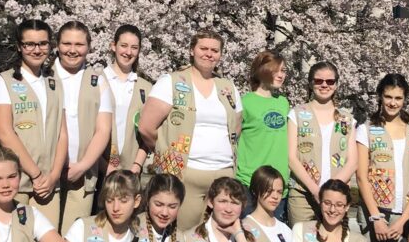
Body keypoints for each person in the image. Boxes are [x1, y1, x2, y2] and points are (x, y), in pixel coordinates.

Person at [139, 30, 242, 230]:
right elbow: (146, 127)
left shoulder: (228, 88)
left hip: (223, 173)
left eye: (215, 50)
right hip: (185, 174)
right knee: (182, 233)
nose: (209, 54)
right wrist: (166, 149)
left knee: (218, 235)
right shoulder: (171, 81)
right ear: (192, 50)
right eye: (203, 48)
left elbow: (236, 129)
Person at [0, 19, 68, 226]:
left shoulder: (54, 83)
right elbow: (5, 133)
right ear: (19, 47)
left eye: (42, 43)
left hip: (48, 184)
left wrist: (54, 176)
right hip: (16, 181)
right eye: (29, 44)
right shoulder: (5, 82)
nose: (37, 49)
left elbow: (62, 134)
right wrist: (36, 173)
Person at [356, 73, 409, 242]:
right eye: (388, 97)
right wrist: (376, 218)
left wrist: (405, 220)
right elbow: (361, 177)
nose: (392, 103)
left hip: (406, 216)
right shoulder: (366, 130)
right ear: (380, 97)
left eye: (398, 98)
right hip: (378, 215)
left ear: (404, 100)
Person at [53, 20, 114, 235]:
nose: (72, 50)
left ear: (88, 47)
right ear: (57, 45)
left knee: (73, 238)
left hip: (82, 174)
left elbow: (103, 130)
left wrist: (83, 165)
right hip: (45, 173)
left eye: (79, 45)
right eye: (66, 43)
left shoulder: (98, 81)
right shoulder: (42, 76)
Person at [287, 61, 357, 226]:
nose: (324, 85)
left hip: (337, 197)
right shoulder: (297, 114)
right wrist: (314, 189)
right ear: (311, 84)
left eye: (329, 81)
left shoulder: (346, 118)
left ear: (336, 84)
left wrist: (330, 191)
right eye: (319, 81)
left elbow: (352, 161)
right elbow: (291, 157)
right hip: (302, 194)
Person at [236, 52, 290, 220]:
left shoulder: (283, 102)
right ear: (263, 70)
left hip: (278, 184)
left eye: (284, 70)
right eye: (276, 70)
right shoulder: (244, 102)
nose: (281, 75)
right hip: (250, 181)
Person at [102, 24, 151, 176]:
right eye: (123, 45)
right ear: (113, 46)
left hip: (131, 171)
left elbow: (148, 132)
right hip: (98, 170)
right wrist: (105, 167)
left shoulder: (146, 88)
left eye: (134, 47)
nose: (128, 52)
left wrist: (137, 165)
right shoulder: (97, 81)